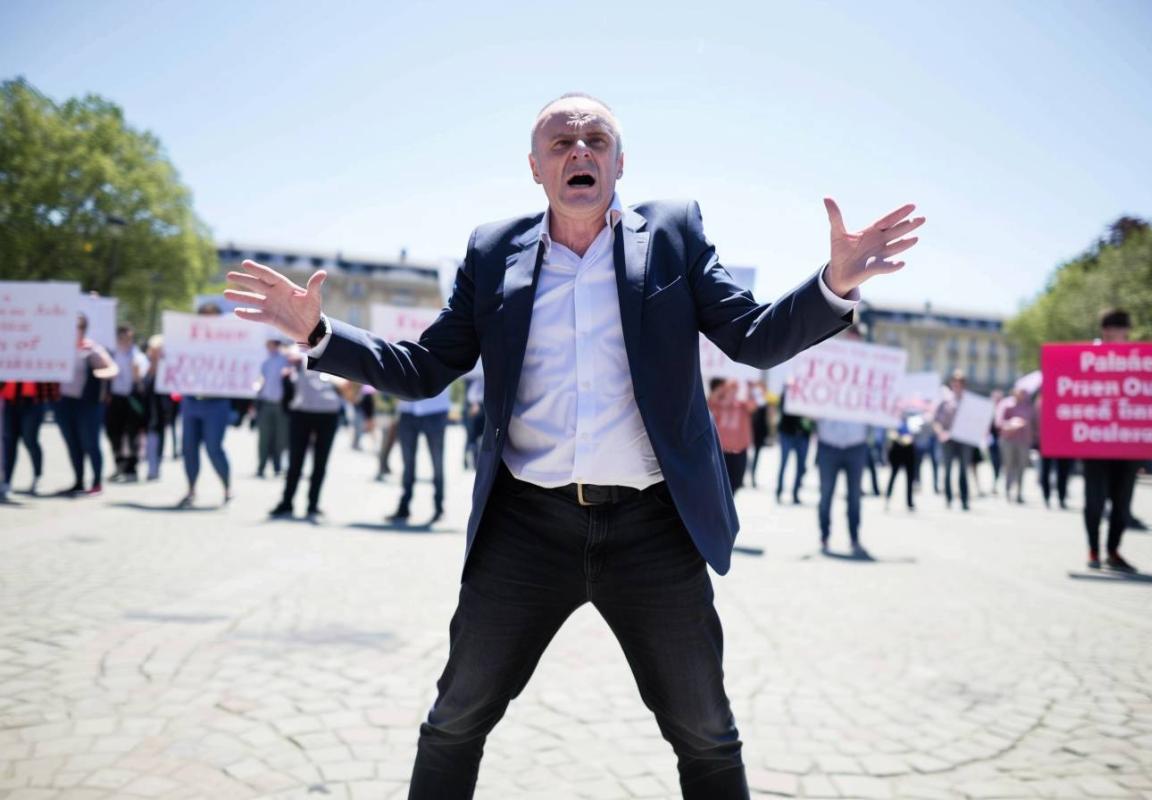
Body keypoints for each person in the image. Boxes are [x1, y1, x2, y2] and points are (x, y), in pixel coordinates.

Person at [225, 92, 921, 800]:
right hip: (527, 527)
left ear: (620, 162)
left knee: (706, 733)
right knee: (455, 720)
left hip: (654, 528)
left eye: (596, 141)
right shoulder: (492, 252)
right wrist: (320, 335)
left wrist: (836, 284)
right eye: (561, 143)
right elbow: (425, 368)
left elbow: (754, 337)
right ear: (536, 167)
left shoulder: (673, 234)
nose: (579, 151)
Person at [1081, 309, 1139, 572]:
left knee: (1122, 503)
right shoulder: (1087, 358)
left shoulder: (1138, 360)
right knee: (1094, 501)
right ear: (1107, 331)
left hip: (1128, 443)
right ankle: (1093, 548)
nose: (1124, 336)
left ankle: (1113, 550)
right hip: (1095, 442)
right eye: (1120, 330)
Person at [270, 352, 343, 519]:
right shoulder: (299, 352)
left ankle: (313, 505)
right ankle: (287, 502)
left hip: (328, 413)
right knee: (295, 460)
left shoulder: (338, 354)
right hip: (302, 411)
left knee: (320, 462)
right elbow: (290, 356)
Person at [55, 313, 119, 496]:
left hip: (87, 403)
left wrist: (99, 374)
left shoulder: (92, 349)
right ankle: (78, 481)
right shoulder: (59, 347)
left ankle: (97, 482)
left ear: (83, 330)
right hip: (64, 402)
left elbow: (113, 369)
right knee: (72, 442)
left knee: (90, 442)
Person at [178, 303, 233, 508]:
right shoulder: (188, 341)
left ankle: (227, 487)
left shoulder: (229, 344)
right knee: (189, 448)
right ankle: (191, 489)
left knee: (213, 448)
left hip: (216, 403)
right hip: (191, 401)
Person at [389, 386, 451, 523]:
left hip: (435, 408)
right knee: (407, 462)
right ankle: (404, 507)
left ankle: (439, 507)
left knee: (437, 462)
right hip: (407, 409)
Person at [815, 413, 870, 555]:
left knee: (855, 496)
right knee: (826, 493)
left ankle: (854, 537)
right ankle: (824, 536)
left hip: (856, 444)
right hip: (828, 443)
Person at [105, 325, 149, 482]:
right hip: (115, 398)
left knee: (132, 434)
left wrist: (136, 375)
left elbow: (141, 378)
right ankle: (119, 465)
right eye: (122, 338)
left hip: (132, 400)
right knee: (113, 433)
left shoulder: (138, 357)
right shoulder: (111, 354)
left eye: (128, 338)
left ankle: (131, 468)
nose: (125, 341)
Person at [1, 381, 58, 496]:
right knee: (9, 442)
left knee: (30, 440)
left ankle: (38, 477)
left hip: (33, 401)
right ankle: (6, 481)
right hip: (9, 401)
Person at [708, 378, 755, 495]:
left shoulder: (742, 405)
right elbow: (709, 402)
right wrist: (720, 390)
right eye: (730, 388)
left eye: (735, 388)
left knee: (737, 482)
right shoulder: (719, 404)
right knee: (722, 482)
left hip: (739, 450)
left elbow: (752, 406)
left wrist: (750, 390)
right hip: (722, 451)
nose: (733, 391)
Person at [932, 370, 971, 511]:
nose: (957, 385)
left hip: (964, 439)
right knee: (947, 469)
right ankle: (948, 498)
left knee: (963, 471)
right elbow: (936, 421)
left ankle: (964, 499)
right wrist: (941, 433)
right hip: (948, 439)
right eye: (955, 382)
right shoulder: (945, 400)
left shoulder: (970, 401)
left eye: (960, 382)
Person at [138, 335, 174, 482]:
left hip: (161, 411)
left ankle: (155, 467)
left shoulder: (167, 368)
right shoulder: (146, 366)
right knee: (149, 437)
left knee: (158, 437)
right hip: (148, 409)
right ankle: (151, 466)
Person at [255, 338, 289, 477]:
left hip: (281, 405)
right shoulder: (265, 362)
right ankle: (261, 466)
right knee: (264, 438)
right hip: (266, 403)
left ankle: (277, 466)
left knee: (280, 438)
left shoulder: (286, 360)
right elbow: (260, 381)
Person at [775, 378, 812, 504]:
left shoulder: (811, 394)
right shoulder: (788, 390)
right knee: (783, 464)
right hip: (787, 433)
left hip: (803, 435)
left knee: (800, 466)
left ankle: (796, 493)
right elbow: (781, 408)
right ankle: (779, 491)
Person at [995, 386, 1034, 503]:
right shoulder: (1006, 404)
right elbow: (999, 422)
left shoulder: (1028, 406)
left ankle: (1019, 492)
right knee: (1009, 466)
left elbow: (1033, 422)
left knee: (1021, 467)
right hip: (1009, 440)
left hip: (1024, 441)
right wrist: (1011, 424)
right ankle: (1007, 490)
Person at [884, 414, 917, 511]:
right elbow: (890, 432)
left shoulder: (913, 417)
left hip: (909, 450)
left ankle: (909, 502)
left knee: (910, 477)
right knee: (893, 475)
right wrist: (899, 438)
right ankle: (887, 498)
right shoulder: (893, 417)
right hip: (897, 449)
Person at [747, 380, 769, 488]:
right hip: (750, 430)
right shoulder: (752, 398)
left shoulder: (765, 401)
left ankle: (752, 476)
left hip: (760, 432)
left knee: (756, 456)